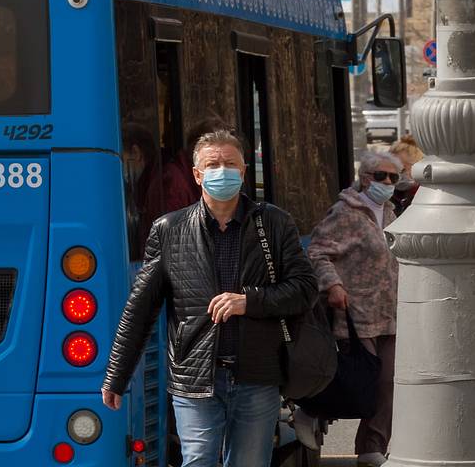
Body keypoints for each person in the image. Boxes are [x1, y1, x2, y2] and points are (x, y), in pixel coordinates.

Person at [101, 129, 318, 467]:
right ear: (197, 174)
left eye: (230, 164)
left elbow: (305, 289)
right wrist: (117, 375)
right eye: (212, 164)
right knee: (198, 460)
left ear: (244, 172)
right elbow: (139, 310)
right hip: (194, 375)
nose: (222, 171)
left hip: (257, 374)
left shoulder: (274, 223)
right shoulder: (169, 229)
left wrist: (250, 301)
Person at [296, 151, 401, 467]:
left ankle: (372, 446)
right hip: (355, 313)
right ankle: (311, 410)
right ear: (365, 177)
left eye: (393, 177)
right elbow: (316, 253)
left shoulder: (392, 215)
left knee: (388, 383)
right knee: (356, 381)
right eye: (380, 176)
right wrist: (333, 286)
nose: (387, 183)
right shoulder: (345, 214)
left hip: (390, 314)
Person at [388, 135, 423, 217]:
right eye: (392, 168)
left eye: (403, 168)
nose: (397, 174)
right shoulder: (387, 196)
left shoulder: (423, 197)